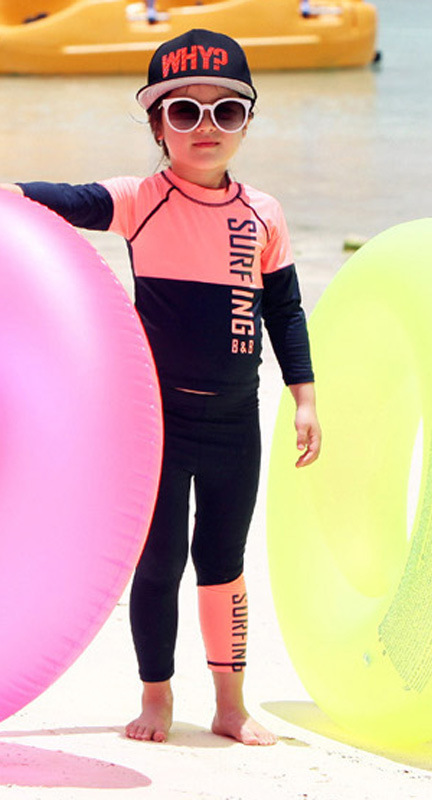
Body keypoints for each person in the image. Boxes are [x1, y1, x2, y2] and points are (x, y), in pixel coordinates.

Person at [2, 29, 321, 746]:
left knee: (224, 563)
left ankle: (231, 705)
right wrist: (10, 193)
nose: (206, 127)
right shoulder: (140, 200)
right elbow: (61, 200)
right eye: (184, 111)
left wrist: (305, 397)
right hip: (159, 426)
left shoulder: (263, 214)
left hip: (235, 420)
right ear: (157, 125)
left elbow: (285, 311)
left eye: (225, 111)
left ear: (247, 121)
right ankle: (156, 697)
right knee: (158, 562)